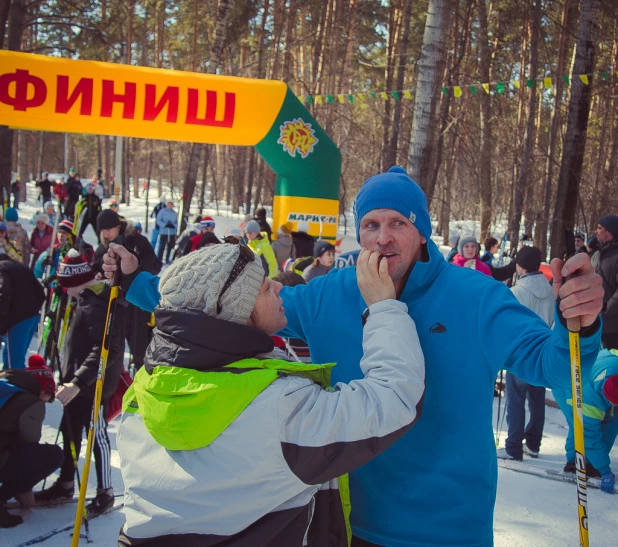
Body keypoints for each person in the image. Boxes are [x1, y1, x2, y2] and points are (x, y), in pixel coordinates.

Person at [103, 166, 605, 547]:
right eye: (369, 224)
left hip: (449, 527)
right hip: (348, 521)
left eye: (397, 223)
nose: (382, 238)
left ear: (422, 229)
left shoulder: (476, 296)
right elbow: (227, 309)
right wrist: (134, 281)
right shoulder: (330, 293)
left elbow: (555, 367)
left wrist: (577, 325)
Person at [116, 243, 425, 546]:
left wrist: (134, 280)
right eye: (264, 288)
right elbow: (393, 398)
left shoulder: (140, 393)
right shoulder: (280, 409)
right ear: (239, 312)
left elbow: (193, 298)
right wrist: (383, 307)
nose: (279, 288)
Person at [34, 250, 125, 517]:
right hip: (78, 383)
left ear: (74, 282)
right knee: (70, 429)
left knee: (97, 436)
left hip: (92, 385)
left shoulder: (96, 303)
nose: (65, 291)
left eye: (65, 285)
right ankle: (64, 483)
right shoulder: (86, 298)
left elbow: (103, 350)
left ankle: (105, 492)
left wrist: (76, 382)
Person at [499, 246, 555, 461]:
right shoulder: (549, 289)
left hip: (521, 352)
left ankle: (513, 447)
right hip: (542, 350)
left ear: (519, 265)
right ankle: (533, 443)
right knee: (536, 400)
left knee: (516, 400)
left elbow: (508, 323)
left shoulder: (517, 291)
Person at [0, 356, 62, 528]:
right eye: (48, 397)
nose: (46, 401)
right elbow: (29, 443)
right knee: (54, 455)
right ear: (44, 390)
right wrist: (24, 488)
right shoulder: (30, 402)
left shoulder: (5, 381)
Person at [94, 209, 159, 370]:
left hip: (138, 303)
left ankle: (140, 372)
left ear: (117, 226)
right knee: (115, 345)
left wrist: (137, 271)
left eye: (109, 229)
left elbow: (155, 264)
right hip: (115, 304)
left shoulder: (137, 241)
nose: (106, 234)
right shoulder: (103, 247)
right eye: (103, 231)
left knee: (139, 344)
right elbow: (96, 265)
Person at [553, 348, 618, 492]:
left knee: (612, 422)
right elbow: (590, 436)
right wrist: (605, 471)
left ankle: (594, 464)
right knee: (578, 424)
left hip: (594, 375)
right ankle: (574, 462)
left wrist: (600, 467)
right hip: (566, 385)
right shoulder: (588, 400)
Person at [0, 247, 45, 370]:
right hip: (32, 317)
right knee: (11, 358)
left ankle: (16, 387)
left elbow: (3, 295)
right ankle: (7, 383)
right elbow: (41, 293)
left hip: (17, 320)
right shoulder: (20, 267)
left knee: (14, 363)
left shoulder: (2, 269)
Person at [591, 215, 618, 350]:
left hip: (612, 327)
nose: (597, 231)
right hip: (593, 322)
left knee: (610, 366)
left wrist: (607, 310)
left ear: (609, 232)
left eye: (600, 228)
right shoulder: (596, 255)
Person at [155, 199, 178, 264]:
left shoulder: (174, 213)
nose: (170, 205)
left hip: (171, 232)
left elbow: (176, 222)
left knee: (170, 246)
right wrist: (165, 225)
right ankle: (159, 259)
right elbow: (158, 220)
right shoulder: (162, 212)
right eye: (169, 204)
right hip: (164, 232)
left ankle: (167, 259)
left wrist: (173, 225)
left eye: (171, 204)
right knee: (162, 246)